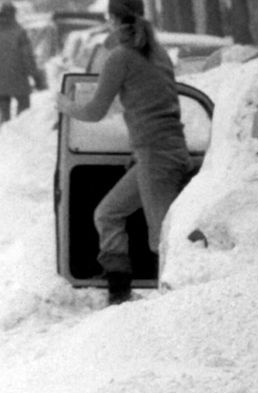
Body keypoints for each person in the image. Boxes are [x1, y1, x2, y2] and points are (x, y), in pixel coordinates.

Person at [55, 0, 190, 306]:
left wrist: (66, 106)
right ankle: (118, 292)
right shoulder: (158, 53)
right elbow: (157, 103)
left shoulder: (121, 57)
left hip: (157, 157)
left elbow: (94, 111)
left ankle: (178, 305)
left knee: (162, 239)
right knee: (108, 213)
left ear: (113, 19)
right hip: (163, 152)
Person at [0, 1, 46, 137]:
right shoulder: (19, 32)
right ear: (13, 14)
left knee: (2, 104)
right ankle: (21, 133)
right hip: (17, 75)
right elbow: (27, 57)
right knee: (24, 104)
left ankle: (2, 132)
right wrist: (36, 77)